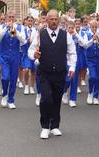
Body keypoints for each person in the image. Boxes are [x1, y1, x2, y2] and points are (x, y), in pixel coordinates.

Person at [28, 9, 76, 139]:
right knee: (46, 98)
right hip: (44, 72)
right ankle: (44, 126)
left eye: (56, 19)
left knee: (56, 99)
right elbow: (31, 50)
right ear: (47, 20)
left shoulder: (66, 35)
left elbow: (72, 52)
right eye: (51, 19)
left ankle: (55, 126)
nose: (54, 21)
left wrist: (72, 67)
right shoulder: (40, 35)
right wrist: (34, 55)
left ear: (59, 21)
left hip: (60, 72)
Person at [0, 11, 26, 109]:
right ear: (6, 17)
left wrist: (15, 30)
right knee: (5, 77)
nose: (11, 19)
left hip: (15, 55)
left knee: (13, 78)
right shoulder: (2, 27)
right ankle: (4, 94)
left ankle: (11, 99)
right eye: (9, 17)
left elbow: (23, 40)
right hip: (4, 55)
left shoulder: (19, 27)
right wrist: (6, 28)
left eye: (13, 17)